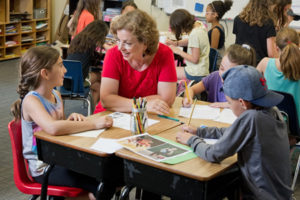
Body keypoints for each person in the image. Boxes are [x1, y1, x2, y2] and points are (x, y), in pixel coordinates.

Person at [10, 46, 114, 200]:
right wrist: (94, 124)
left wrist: (69, 120)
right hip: (43, 168)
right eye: (60, 65)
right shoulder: (31, 101)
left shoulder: (56, 95)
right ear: (45, 73)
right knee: (100, 185)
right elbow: (52, 128)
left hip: (60, 159)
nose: (65, 70)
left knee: (105, 176)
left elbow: (60, 131)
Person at [176, 65, 292, 199]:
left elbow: (213, 154)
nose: (230, 107)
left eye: (230, 103)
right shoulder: (272, 111)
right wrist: (200, 131)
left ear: (242, 103)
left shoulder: (251, 118)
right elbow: (233, 132)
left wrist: (191, 140)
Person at [94, 10, 177, 116]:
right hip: (110, 115)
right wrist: (142, 105)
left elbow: (166, 99)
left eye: (127, 43)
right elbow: (107, 100)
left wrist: (123, 103)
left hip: (146, 117)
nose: (120, 48)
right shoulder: (113, 54)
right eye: (118, 40)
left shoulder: (164, 54)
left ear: (145, 43)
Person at [183, 44, 256, 108]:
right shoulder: (215, 76)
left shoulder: (247, 86)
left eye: (229, 73)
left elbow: (248, 107)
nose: (223, 74)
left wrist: (227, 105)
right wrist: (188, 97)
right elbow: (191, 89)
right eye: (222, 68)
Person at [257, 27, 300, 125]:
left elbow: (250, 88)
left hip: (269, 123)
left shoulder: (264, 63)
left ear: (276, 47)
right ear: (298, 45)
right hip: (296, 127)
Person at [67, 20, 109, 107]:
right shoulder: (91, 42)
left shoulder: (77, 38)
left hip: (66, 79)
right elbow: (109, 50)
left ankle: (91, 110)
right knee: (103, 76)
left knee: (97, 86)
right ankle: (103, 106)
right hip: (78, 82)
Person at [166, 9, 210, 82]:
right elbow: (192, 41)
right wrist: (176, 43)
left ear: (181, 27)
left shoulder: (194, 34)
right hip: (202, 68)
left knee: (168, 71)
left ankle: (176, 91)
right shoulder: (199, 24)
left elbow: (195, 60)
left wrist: (178, 51)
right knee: (171, 69)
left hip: (196, 72)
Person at [233, 0, 278, 64]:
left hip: (240, 61)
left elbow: (237, 44)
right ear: (267, 4)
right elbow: (271, 54)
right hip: (259, 65)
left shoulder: (237, 19)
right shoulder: (269, 22)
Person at [205, 0, 232, 65]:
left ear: (215, 14)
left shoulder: (215, 30)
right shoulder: (217, 26)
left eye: (207, 13)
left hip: (216, 64)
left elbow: (213, 52)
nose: (205, 15)